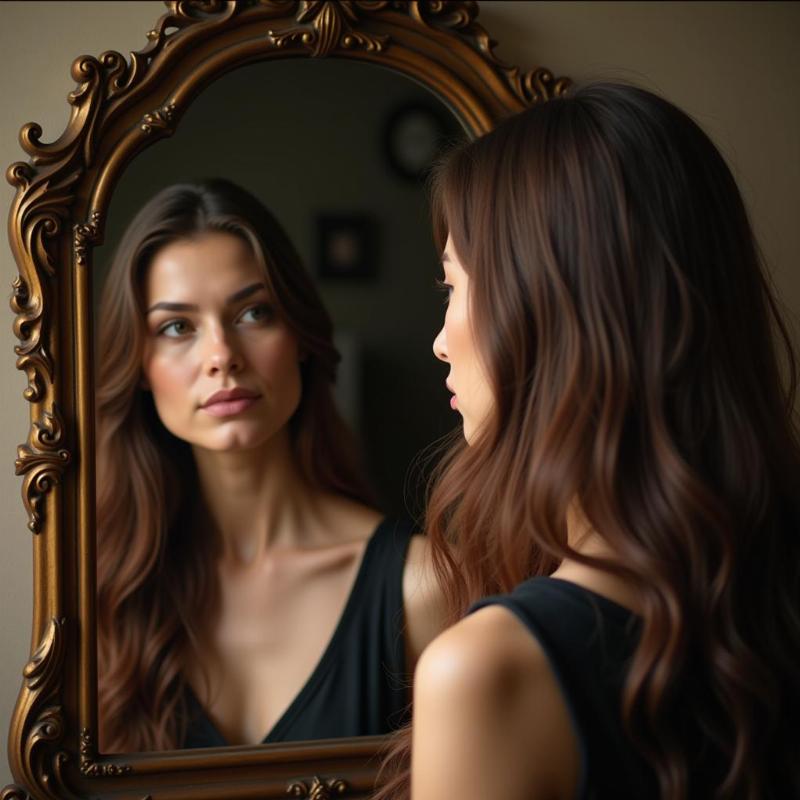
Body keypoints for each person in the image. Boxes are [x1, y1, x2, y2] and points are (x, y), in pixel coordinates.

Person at [377, 84, 800, 799]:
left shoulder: (488, 671)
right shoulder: (767, 596)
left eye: (453, 287)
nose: (440, 341)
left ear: (552, 313)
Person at [95, 179, 444, 753]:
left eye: (254, 312)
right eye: (177, 327)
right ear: (137, 364)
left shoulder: (418, 584)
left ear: (302, 337)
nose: (222, 356)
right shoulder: (108, 585)